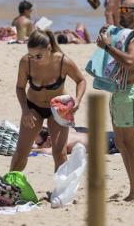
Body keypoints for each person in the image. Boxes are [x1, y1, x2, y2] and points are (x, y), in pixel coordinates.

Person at [96, 0, 134, 201]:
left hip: (131, 92)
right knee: (120, 142)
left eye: (125, 9)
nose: (121, 12)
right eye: (120, 8)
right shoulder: (127, 33)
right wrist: (107, 34)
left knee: (131, 142)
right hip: (120, 91)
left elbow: (131, 61)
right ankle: (132, 188)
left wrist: (107, 47)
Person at [11, 30, 86, 173]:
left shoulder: (63, 61)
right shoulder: (26, 62)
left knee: (60, 153)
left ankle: (61, 190)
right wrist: (25, 110)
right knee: (22, 152)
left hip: (58, 110)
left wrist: (78, 100)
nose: (34, 59)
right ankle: (10, 186)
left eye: (38, 56)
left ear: (49, 48)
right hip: (33, 108)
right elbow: (20, 88)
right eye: (31, 55)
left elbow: (81, 80)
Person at [33, 126, 134, 155]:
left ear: (49, 139)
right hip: (109, 134)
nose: (40, 145)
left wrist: (32, 149)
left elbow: (48, 151)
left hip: (111, 143)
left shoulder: (61, 142)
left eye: (41, 142)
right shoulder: (67, 131)